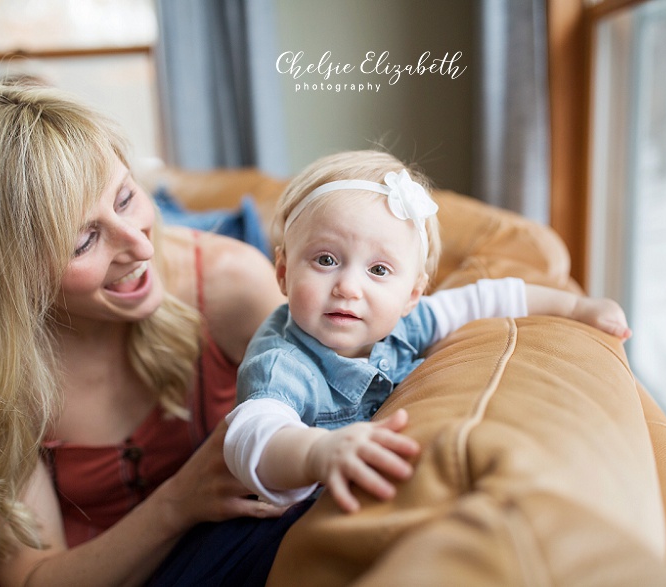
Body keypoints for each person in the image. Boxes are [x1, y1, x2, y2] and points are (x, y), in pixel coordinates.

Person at [0, 85, 294, 586]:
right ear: (3, 274)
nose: (139, 245)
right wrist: (177, 503)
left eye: (126, 198)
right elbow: (32, 577)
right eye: (84, 240)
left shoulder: (228, 285)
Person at [224, 150, 632, 513]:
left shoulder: (404, 324)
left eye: (378, 270)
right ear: (282, 272)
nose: (349, 287)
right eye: (326, 259)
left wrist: (576, 306)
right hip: (287, 528)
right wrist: (319, 452)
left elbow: (486, 299)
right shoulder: (282, 362)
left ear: (412, 295)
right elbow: (252, 437)